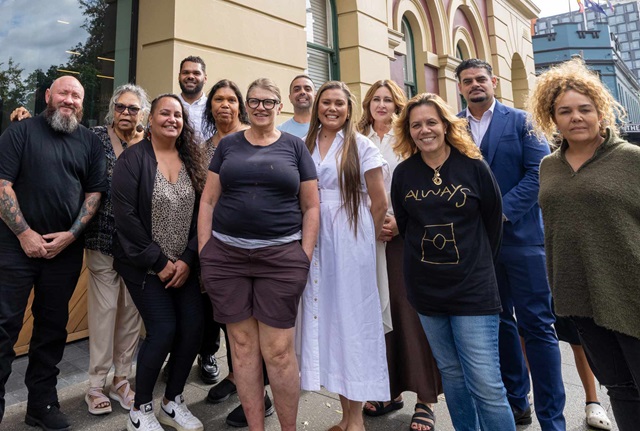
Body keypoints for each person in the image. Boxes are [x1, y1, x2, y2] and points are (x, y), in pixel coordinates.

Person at [199, 78, 319, 431]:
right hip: (227, 257)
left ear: (279, 106)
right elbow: (208, 200)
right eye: (255, 101)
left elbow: (311, 207)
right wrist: (206, 251)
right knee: (241, 346)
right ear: (246, 106)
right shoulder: (229, 146)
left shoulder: (295, 147)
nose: (261, 107)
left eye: (269, 101)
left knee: (280, 353)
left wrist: (303, 257)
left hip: (280, 259)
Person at [391, 92, 513, 431]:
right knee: (453, 377)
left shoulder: (473, 167)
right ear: (408, 131)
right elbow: (405, 225)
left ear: (445, 126)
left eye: (431, 122)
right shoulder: (403, 174)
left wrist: (474, 265)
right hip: (427, 292)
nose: (424, 130)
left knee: (486, 384)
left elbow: (493, 222)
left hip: (473, 290)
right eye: (416, 125)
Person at [529, 57, 640, 431]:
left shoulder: (632, 160)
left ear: (600, 111)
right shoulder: (549, 166)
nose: (576, 117)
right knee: (619, 388)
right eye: (565, 111)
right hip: (579, 297)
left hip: (631, 293)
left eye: (584, 109)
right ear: (552, 118)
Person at [455, 58, 566, 429]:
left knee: (537, 325)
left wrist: (500, 213)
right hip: (479, 247)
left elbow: (539, 174)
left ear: (494, 81)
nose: (475, 85)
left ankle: (553, 418)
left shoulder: (522, 121)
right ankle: (517, 403)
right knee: (499, 322)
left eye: (480, 79)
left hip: (521, 239)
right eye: (467, 81)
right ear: (460, 87)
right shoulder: (454, 127)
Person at [0, 76, 106, 430]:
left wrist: (71, 236)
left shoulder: (90, 142)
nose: (70, 100)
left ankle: (41, 405)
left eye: (77, 95)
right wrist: (25, 233)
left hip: (63, 252)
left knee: (51, 331)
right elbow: (2, 185)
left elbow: (94, 194)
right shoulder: (20, 132)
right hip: (14, 249)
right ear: (48, 95)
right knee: (3, 329)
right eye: (64, 92)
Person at [112, 93, 207, 431]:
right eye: (164, 113)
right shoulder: (132, 160)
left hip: (183, 265)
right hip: (144, 265)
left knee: (193, 328)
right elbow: (125, 218)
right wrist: (160, 261)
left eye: (178, 115)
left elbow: (204, 214)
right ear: (150, 119)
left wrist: (186, 259)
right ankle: (140, 409)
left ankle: (173, 401)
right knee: (164, 329)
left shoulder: (193, 161)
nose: (172, 119)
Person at [300, 80, 389, 431]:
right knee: (326, 321)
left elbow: (379, 202)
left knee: (351, 324)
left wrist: (362, 241)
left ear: (350, 109)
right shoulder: (304, 144)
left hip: (349, 237)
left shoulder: (361, 145)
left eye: (339, 103)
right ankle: (345, 415)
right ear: (317, 107)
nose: (332, 109)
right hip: (312, 234)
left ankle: (355, 420)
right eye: (326, 103)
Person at [356, 80, 442, 431]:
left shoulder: (407, 141)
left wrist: (398, 222)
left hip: (403, 237)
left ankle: (426, 398)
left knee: (411, 314)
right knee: (378, 315)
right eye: (375, 99)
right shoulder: (357, 139)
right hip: (365, 237)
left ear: (397, 105)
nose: (380, 105)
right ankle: (388, 390)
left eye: (387, 99)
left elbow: (420, 188)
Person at [200, 79, 270, 427]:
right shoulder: (201, 145)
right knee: (228, 319)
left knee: (249, 324)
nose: (224, 105)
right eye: (218, 99)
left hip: (248, 243)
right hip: (212, 242)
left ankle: (259, 395)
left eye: (231, 99)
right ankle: (234, 377)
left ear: (240, 105)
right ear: (210, 105)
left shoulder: (248, 138)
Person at [83, 84, 148, 415]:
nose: (126, 113)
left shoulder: (150, 141)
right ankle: (95, 384)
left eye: (133, 109)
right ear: (112, 108)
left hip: (137, 245)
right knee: (105, 311)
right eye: (121, 107)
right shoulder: (93, 136)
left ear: (142, 112)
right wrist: (25, 120)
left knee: (131, 313)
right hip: (102, 238)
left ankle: (122, 379)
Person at [177, 55, 211, 143]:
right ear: (179, 77)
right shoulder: (169, 105)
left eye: (196, 73)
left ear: (205, 78)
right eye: (186, 72)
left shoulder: (212, 107)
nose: (190, 76)